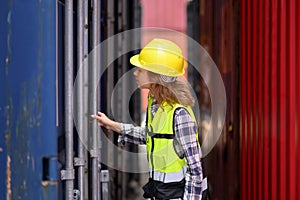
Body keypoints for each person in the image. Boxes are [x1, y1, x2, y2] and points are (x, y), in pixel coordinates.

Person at [91, 38, 207, 200]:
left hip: (177, 195)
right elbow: (151, 136)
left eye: (141, 70)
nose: (135, 73)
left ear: (156, 76)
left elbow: (195, 171)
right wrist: (114, 126)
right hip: (158, 191)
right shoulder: (156, 105)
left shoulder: (180, 114)